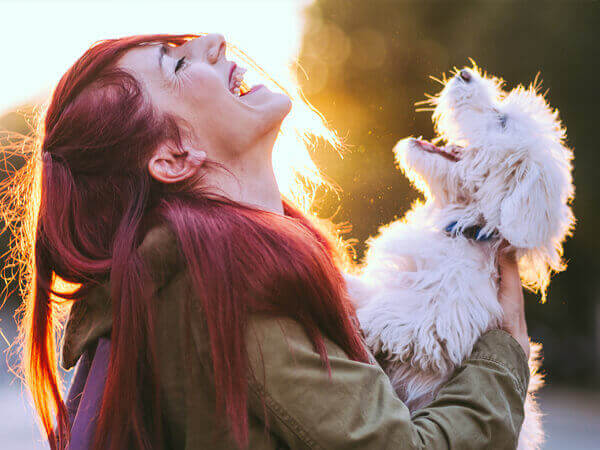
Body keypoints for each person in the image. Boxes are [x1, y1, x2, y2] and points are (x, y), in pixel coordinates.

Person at [8, 33, 530, 450]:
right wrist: (503, 351)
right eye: (179, 64)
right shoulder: (227, 288)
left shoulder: (194, 276)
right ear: (172, 158)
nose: (213, 41)